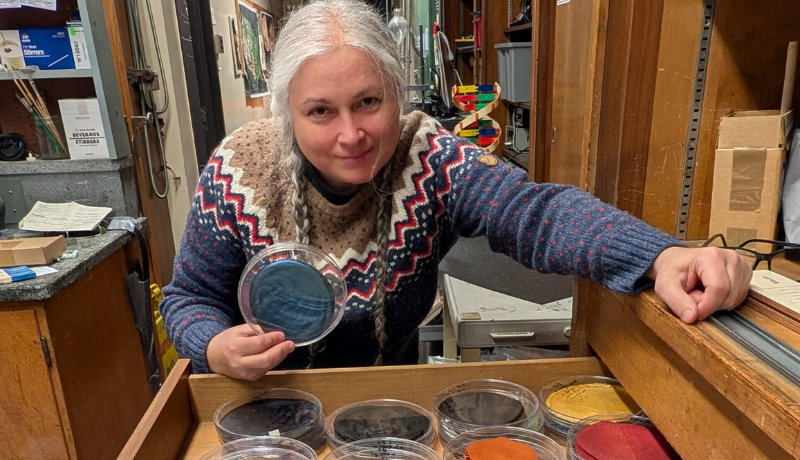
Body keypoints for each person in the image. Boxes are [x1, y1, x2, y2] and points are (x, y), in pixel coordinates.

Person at [160, 0, 752, 381]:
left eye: (369, 101)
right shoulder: (239, 169)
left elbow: (534, 215)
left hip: (389, 393)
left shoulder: (430, 156)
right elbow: (186, 297)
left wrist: (659, 254)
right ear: (289, 114)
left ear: (398, 92)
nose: (351, 134)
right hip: (263, 402)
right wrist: (213, 347)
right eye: (320, 111)